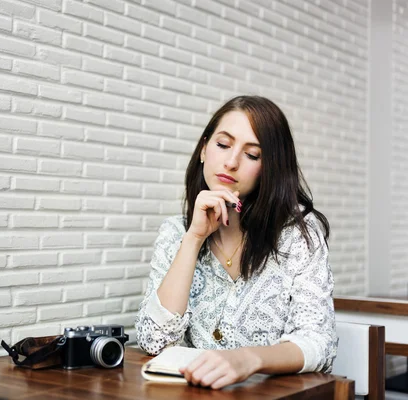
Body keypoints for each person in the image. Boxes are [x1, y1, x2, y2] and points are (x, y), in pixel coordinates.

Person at [135, 95, 337, 389]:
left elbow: (319, 344)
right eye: (223, 145)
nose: (231, 162)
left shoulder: (298, 236)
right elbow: (154, 340)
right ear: (204, 149)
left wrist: (247, 359)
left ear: (269, 168)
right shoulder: (176, 232)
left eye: (252, 155)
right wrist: (193, 239)